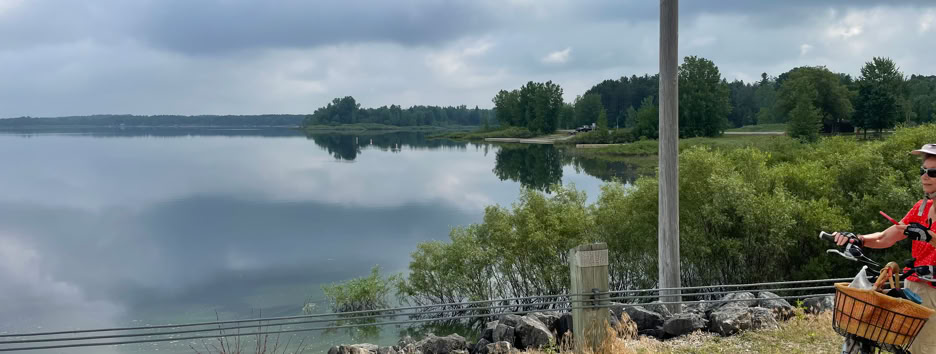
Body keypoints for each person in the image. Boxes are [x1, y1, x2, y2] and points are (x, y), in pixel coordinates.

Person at [833, 143, 936, 353]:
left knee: (923, 349)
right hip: (913, 287)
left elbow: (929, 237)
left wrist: (928, 236)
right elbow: (885, 237)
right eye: (922, 171)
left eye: (933, 172)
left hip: (933, 290)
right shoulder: (922, 207)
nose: (925, 176)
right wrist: (858, 239)